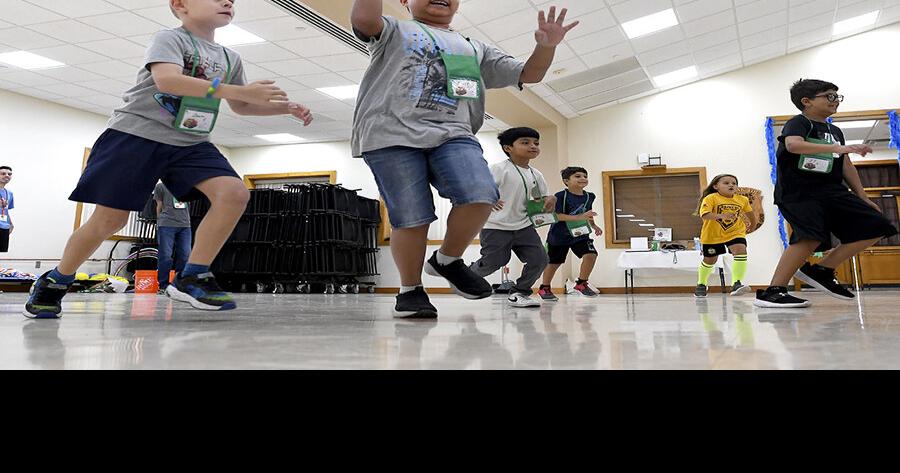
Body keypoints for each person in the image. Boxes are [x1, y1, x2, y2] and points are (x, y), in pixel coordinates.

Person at [24, 0, 314, 319]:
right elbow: (169, 81)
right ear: (180, 5)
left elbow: (241, 106)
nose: (227, 2)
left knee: (234, 193)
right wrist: (238, 91)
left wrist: (283, 108)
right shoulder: (170, 39)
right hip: (136, 135)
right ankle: (56, 280)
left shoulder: (231, 58)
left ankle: (193, 275)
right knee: (110, 220)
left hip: (190, 141)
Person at [350, 0, 579, 318]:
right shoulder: (394, 29)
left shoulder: (474, 47)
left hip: (454, 134)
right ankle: (410, 291)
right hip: (390, 134)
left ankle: (446, 260)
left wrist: (546, 47)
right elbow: (364, 18)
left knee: (480, 194)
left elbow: (530, 73)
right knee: (411, 216)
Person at [754, 79, 898, 308]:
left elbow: (846, 165)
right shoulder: (798, 123)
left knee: (878, 225)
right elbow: (793, 145)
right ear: (807, 101)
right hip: (799, 193)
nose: (835, 101)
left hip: (832, 191)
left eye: (837, 97)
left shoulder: (834, 130)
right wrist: (836, 148)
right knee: (810, 236)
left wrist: (863, 197)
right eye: (829, 96)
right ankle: (773, 291)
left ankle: (821, 270)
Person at [470, 128, 554, 308]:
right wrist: (488, 199)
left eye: (536, 143)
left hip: (524, 226)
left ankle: (519, 292)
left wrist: (550, 199)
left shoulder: (536, 174)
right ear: (508, 148)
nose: (533, 146)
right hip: (496, 226)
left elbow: (542, 197)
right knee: (494, 262)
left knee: (540, 259)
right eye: (526, 142)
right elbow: (478, 189)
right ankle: (466, 276)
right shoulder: (498, 169)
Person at [538, 167, 602, 300]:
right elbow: (557, 216)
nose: (583, 178)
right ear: (566, 181)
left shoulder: (590, 196)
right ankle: (544, 287)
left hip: (580, 234)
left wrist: (594, 225)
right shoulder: (560, 196)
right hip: (559, 235)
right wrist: (579, 217)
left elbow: (587, 213)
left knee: (591, 254)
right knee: (554, 262)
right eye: (578, 176)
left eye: (585, 176)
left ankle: (581, 283)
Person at [695, 174, 757, 298]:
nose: (731, 185)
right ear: (715, 186)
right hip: (712, 235)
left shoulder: (742, 200)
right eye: (726, 183)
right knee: (710, 260)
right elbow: (705, 215)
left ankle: (736, 283)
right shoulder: (711, 198)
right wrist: (722, 216)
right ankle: (701, 284)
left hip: (735, 232)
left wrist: (753, 224)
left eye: (734, 183)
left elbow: (750, 213)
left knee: (741, 250)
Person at [154, 181, 192, 293]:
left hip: (185, 225)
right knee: (165, 255)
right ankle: (163, 285)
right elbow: (159, 205)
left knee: (185, 254)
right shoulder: (160, 186)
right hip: (166, 224)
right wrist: (159, 222)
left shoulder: (186, 185)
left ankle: (179, 284)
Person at [0, 166, 14, 253]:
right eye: (3, 173)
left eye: (9, 174)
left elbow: (6, 210)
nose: (7, 176)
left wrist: (11, 223)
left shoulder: (9, 193)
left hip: (4, 226)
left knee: (1, 252)